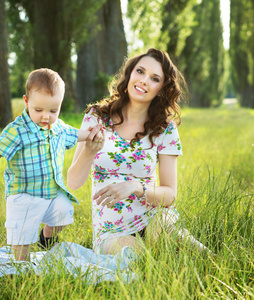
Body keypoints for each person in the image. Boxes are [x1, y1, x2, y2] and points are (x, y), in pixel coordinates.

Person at [67, 48, 209, 255]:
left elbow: (169, 195)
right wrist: (89, 151)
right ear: (130, 73)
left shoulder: (164, 128)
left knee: (193, 252)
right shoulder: (96, 117)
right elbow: (73, 182)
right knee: (139, 260)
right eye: (140, 72)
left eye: (154, 78)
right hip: (111, 230)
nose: (144, 80)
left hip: (153, 219)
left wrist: (136, 187)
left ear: (162, 88)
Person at [0, 68, 103, 261]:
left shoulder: (58, 127)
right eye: (39, 110)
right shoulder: (17, 130)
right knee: (22, 237)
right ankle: (21, 267)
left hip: (51, 191)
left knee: (64, 212)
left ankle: (47, 238)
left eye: (53, 110)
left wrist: (92, 133)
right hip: (24, 194)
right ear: (27, 102)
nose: (46, 117)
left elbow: (76, 134)